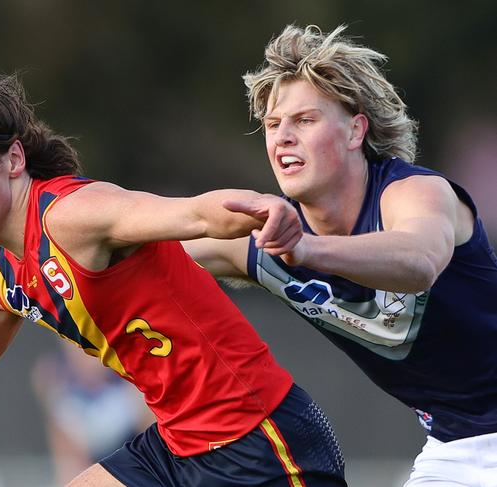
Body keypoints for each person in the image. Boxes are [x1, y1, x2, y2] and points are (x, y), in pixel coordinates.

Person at [0, 73, 346, 486]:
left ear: (13, 160)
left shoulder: (76, 213)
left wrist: (262, 207)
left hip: (258, 439)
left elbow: (195, 213)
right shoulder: (0, 278)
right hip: (176, 445)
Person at [183, 25, 497, 486]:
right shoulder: (266, 237)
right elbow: (140, 247)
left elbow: (420, 261)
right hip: (457, 447)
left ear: (356, 130)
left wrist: (306, 249)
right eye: (273, 125)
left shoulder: (413, 192)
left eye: (304, 120)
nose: (283, 137)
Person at [31, 342, 154, 485]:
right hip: (90, 463)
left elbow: (150, 443)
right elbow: (67, 458)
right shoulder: (56, 384)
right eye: (77, 349)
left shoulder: (130, 382)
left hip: (133, 460)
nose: (85, 357)